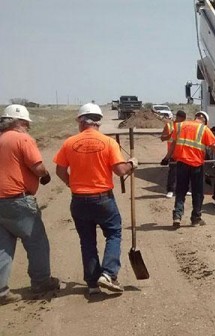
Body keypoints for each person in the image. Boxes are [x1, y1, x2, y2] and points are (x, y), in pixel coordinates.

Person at [54, 103, 138, 295]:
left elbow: (60, 170)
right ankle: (108, 274)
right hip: (103, 199)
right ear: (98, 122)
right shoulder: (108, 143)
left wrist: (72, 184)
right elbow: (120, 170)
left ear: (81, 122)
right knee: (114, 234)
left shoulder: (69, 143)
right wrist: (132, 164)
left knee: (87, 241)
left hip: (79, 199)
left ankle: (92, 283)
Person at [0, 105, 61, 305]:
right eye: (26, 124)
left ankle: (1, 291)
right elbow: (37, 166)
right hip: (18, 200)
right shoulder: (22, 139)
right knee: (37, 242)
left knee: (3, 247)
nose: (28, 128)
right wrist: (44, 175)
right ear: (20, 123)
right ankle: (41, 282)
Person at [163, 111, 215, 228]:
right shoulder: (204, 129)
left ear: (196, 117)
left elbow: (173, 144)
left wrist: (166, 158)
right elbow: (214, 147)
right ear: (205, 121)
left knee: (180, 191)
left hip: (181, 163)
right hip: (196, 165)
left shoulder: (180, 125)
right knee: (197, 192)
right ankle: (196, 219)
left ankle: (177, 217)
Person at [160, 110, 187, 198]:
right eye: (181, 119)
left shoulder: (185, 126)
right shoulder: (169, 125)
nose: (182, 121)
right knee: (173, 172)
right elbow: (162, 138)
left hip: (184, 154)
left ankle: (184, 189)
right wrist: (170, 135)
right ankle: (170, 190)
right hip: (173, 154)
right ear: (177, 117)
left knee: (185, 173)